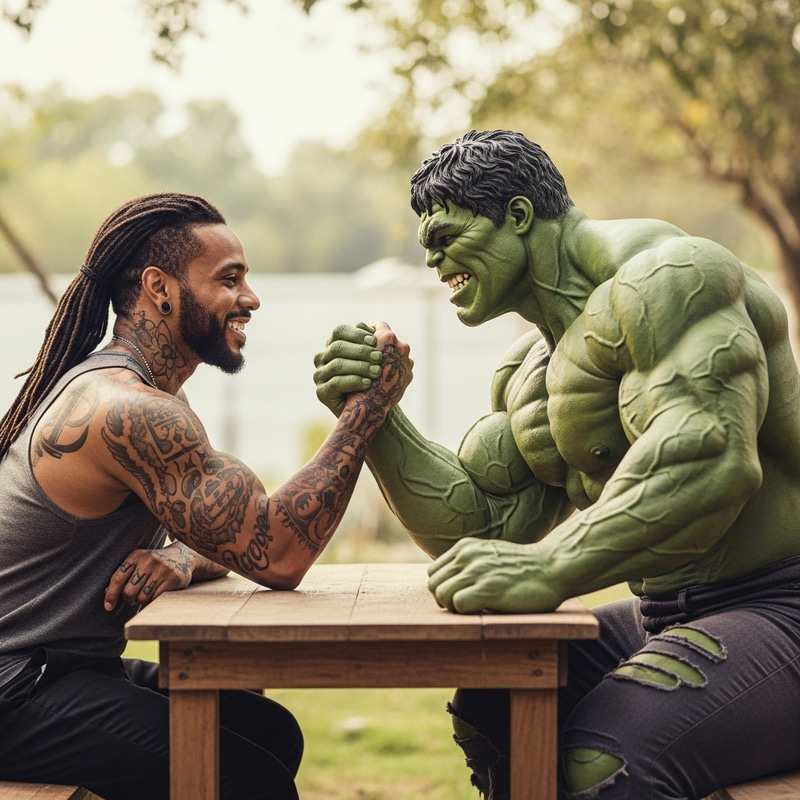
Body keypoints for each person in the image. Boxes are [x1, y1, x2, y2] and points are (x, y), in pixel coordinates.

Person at [312, 130, 800, 800]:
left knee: (601, 760)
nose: (433, 260)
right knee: (494, 703)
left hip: (782, 605)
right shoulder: (533, 369)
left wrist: (552, 567)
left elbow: (709, 457)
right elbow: (483, 529)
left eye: (447, 236)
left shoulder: (669, 277)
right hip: (664, 612)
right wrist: (373, 418)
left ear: (517, 215)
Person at [0, 192, 413, 800]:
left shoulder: (149, 396)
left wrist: (181, 558)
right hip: (17, 683)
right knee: (249, 780)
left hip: (62, 668)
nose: (251, 298)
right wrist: (366, 411)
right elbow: (277, 552)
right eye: (229, 279)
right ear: (159, 288)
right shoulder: (129, 411)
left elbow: (230, 534)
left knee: (268, 731)